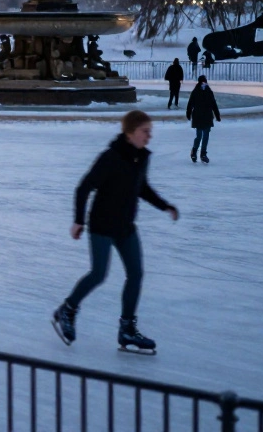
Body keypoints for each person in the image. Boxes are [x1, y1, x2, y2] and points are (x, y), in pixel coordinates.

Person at [51, 110, 179, 354]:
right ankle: (67, 310)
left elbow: (141, 187)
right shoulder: (110, 157)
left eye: (150, 132)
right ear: (130, 132)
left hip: (125, 226)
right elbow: (83, 188)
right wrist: (78, 220)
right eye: (145, 131)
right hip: (101, 225)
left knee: (136, 274)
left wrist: (165, 206)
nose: (149, 136)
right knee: (99, 274)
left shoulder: (141, 158)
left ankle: (127, 329)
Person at [185, 75, 221, 163]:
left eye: (205, 82)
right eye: (202, 82)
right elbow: (190, 103)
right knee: (199, 136)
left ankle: (203, 154)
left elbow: (213, 104)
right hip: (198, 116)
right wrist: (188, 113)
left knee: (206, 136)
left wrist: (217, 115)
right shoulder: (195, 91)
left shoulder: (209, 92)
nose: (203, 84)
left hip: (207, 116)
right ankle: (194, 152)